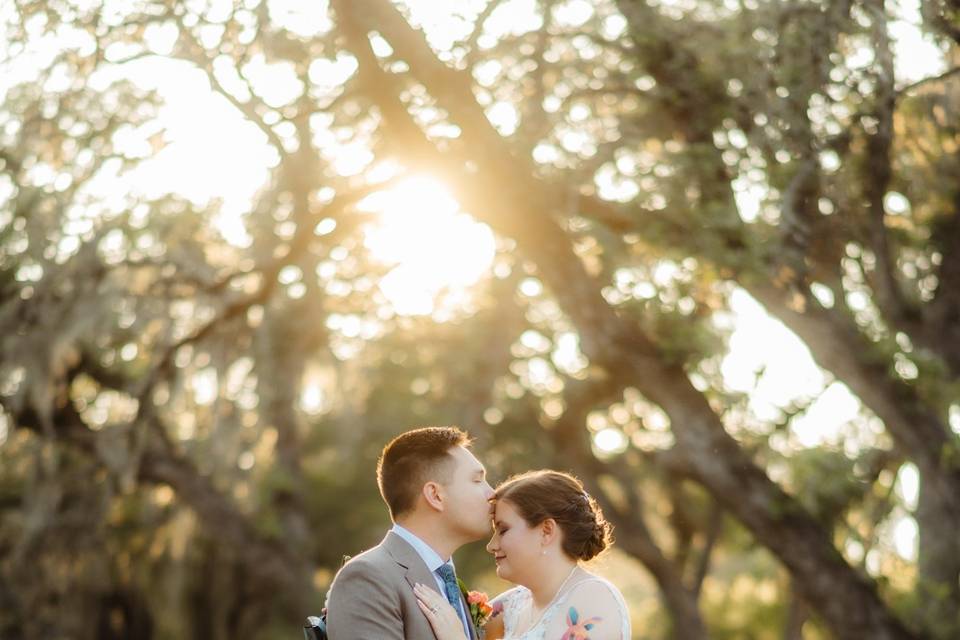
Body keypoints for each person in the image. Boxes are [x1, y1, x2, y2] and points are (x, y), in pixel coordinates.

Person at [414, 470, 631, 640]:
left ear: (546, 531)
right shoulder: (514, 603)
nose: (491, 545)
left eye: (504, 529)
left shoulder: (594, 597)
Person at [325, 426, 494, 640]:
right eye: (477, 480)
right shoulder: (368, 578)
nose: (492, 493)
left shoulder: (449, 582)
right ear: (435, 495)